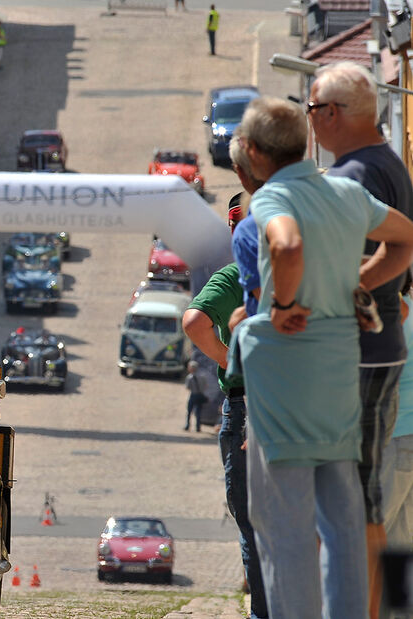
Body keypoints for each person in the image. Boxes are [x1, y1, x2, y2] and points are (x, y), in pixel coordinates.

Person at [226, 96, 413, 618]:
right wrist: (360, 282)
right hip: (339, 369)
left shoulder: (272, 200)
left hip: (286, 376)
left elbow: (285, 246)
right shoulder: (347, 192)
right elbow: (404, 238)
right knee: (344, 517)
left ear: (256, 152)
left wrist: (283, 304)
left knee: (284, 524)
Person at [309, 62, 413, 618]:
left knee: (348, 510)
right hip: (383, 351)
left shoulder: (352, 178)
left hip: (354, 359)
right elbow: (403, 249)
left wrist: (344, 290)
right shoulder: (390, 164)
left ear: (334, 114)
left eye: (311, 110)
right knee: (374, 518)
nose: (310, 124)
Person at [182, 161, 268, 619]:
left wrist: (227, 358)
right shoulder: (299, 265)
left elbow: (193, 321)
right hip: (296, 401)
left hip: (244, 405)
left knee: (251, 522)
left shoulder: (233, 277)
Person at [381, 275, 413, 547]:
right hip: (405, 436)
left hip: (394, 438)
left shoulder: (392, 319)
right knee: (401, 542)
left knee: (375, 534)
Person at [182, 361, 207, 432]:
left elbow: (187, 387)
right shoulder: (202, 376)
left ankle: (187, 426)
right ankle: (198, 427)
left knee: (189, 411)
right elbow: (205, 386)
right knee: (198, 412)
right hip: (200, 395)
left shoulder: (189, 377)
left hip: (193, 395)